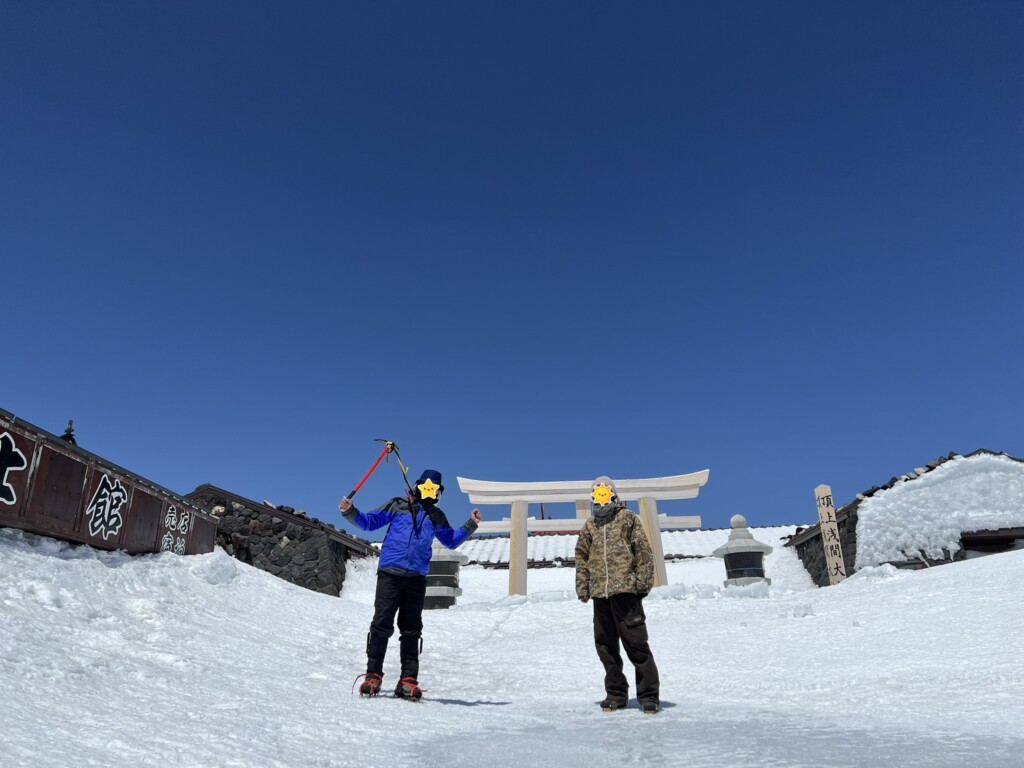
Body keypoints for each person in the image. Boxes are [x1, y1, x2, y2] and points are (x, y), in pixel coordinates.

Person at [339, 468, 482, 700]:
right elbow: (369, 522)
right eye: (426, 486)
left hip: (416, 578)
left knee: (411, 629)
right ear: (417, 486)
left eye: (434, 489)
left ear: (438, 493)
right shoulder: (397, 505)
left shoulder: (436, 516)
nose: (430, 491)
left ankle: (408, 679)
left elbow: (451, 540)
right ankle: (373, 675)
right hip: (390, 574)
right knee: (381, 624)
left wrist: (470, 524)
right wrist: (350, 512)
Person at [575, 475, 661, 714]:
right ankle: (615, 693)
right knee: (605, 645)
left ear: (612, 493)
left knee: (636, 644)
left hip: (625, 592)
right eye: (596, 494)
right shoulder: (590, 526)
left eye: (604, 493)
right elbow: (581, 557)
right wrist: (584, 586)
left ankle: (648, 695)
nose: (600, 499)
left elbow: (643, 552)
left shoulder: (628, 519)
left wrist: (642, 584)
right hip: (600, 595)